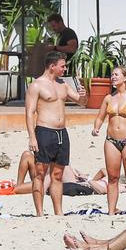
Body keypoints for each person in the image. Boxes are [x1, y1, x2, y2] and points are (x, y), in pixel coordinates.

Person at [25, 51, 87, 216]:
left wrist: (83, 95)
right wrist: (32, 137)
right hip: (44, 131)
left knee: (58, 174)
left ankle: (58, 212)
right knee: (39, 174)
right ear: (52, 66)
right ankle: (39, 212)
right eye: (62, 66)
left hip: (62, 133)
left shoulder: (63, 85)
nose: (65, 69)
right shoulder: (36, 85)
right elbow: (29, 112)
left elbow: (81, 103)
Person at [92, 67, 126, 214]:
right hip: (111, 141)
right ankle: (111, 211)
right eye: (112, 75)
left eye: (116, 74)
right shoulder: (108, 98)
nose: (113, 77)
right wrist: (96, 127)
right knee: (112, 177)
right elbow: (100, 117)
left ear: (125, 78)